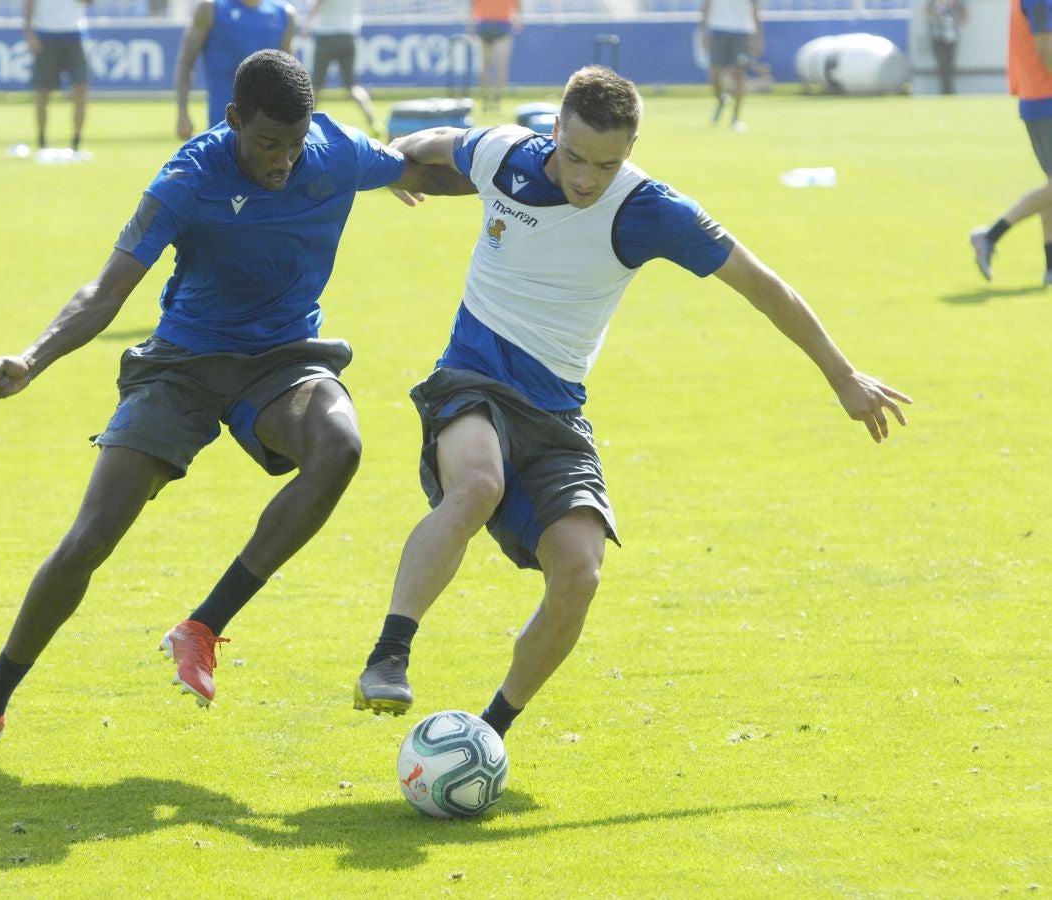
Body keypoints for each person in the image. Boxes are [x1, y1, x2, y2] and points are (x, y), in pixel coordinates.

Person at [0, 50, 472, 758]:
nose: (282, 163)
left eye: (294, 146)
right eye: (266, 143)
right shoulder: (190, 177)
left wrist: (536, 179)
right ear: (233, 119)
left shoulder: (333, 152)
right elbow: (105, 292)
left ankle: (202, 628)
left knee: (340, 448)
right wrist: (31, 358)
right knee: (91, 538)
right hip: (184, 365)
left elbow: (424, 172)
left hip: (284, 360)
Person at [352, 66, 912, 739]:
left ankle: (488, 732)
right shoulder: (505, 154)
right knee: (475, 486)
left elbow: (762, 286)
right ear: (552, 130)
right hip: (471, 379)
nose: (587, 178)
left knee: (580, 573)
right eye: (575, 156)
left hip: (556, 412)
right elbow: (441, 141)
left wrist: (841, 376)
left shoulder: (651, 209)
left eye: (606, 164)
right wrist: (386, 165)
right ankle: (389, 655)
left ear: (632, 148)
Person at [968, 0, 1052, 284]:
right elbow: (1045, 50)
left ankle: (1051, 267)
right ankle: (990, 236)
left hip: (1039, 100)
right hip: (1046, 101)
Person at [174, 0, 295, 140]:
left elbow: (291, 73)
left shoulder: (285, 14)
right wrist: (182, 113)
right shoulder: (211, 9)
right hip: (222, 127)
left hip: (271, 128)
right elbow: (186, 61)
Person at [25, 0, 92, 151]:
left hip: (75, 33)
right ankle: (42, 141)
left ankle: (76, 143)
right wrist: (29, 33)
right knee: (43, 92)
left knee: (81, 89)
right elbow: (28, 3)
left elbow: (90, 2)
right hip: (45, 34)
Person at [303, 0, 378, 131]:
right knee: (352, 87)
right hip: (348, 35)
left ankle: (306, 124)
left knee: (316, 87)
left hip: (326, 35)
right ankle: (373, 121)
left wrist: (308, 23)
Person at [700, 0, 761, 131]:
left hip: (742, 31)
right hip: (718, 29)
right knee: (715, 75)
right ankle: (722, 99)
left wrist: (758, 37)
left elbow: (755, 8)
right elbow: (706, 5)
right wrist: (703, 33)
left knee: (739, 76)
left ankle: (736, 117)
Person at [470, 0, 521, 112]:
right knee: (499, 66)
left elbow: (472, 6)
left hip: (486, 24)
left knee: (486, 66)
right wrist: (519, 20)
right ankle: (495, 100)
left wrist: (471, 25)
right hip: (499, 24)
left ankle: (487, 100)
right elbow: (518, 5)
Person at [927, 0, 967, 96]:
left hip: (952, 35)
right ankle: (944, 89)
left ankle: (950, 89)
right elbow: (927, 10)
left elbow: (964, 13)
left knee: (950, 64)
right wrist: (939, 18)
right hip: (937, 35)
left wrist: (953, 22)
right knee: (941, 64)